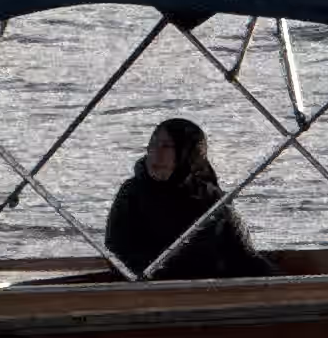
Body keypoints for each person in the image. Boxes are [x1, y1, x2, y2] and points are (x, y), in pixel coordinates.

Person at [106, 116, 271, 280]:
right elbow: (117, 251)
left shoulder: (210, 197)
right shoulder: (131, 193)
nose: (156, 153)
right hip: (146, 285)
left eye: (166, 146)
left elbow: (242, 254)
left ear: (186, 152)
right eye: (153, 144)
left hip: (205, 288)